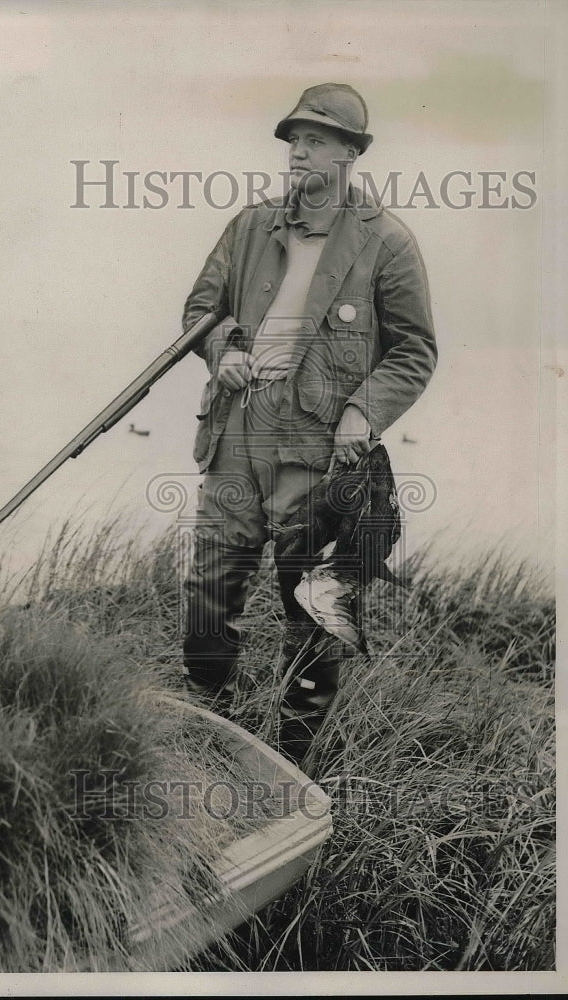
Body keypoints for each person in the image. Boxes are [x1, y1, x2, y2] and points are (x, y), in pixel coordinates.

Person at [181, 83, 437, 760]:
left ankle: (292, 756)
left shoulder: (387, 243)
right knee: (211, 582)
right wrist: (224, 350)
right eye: (294, 138)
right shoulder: (249, 226)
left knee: (311, 600)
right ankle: (205, 728)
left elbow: (415, 349)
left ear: (351, 153)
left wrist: (363, 411)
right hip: (238, 432)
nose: (298, 149)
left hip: (320, 446)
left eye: (316, 138)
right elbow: (200, 311)